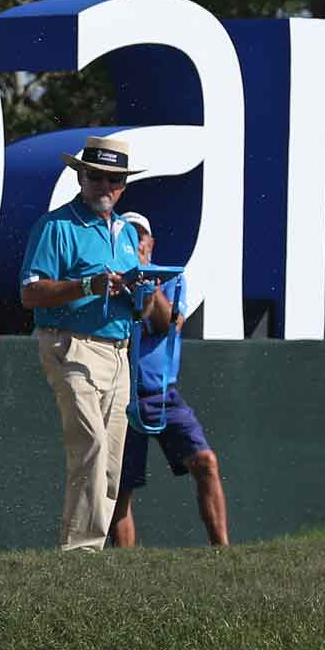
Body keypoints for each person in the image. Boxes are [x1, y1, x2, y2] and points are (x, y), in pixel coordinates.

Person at [19, 135, 143, 551]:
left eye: (114, 179)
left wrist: (144, 289)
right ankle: (79, 552)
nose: (104, 186)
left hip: (119, 351)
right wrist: (87, 285)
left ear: (124, 185)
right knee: (89, 442)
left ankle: (89, 548)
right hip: (71, 345)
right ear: (80, 176)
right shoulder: (55, 226)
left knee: (110, 461)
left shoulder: (127, 233)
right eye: (95, 176)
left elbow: (144, 304)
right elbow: (31, 293)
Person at [108, 211, 229, 547]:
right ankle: (125, 572)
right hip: (121, 395)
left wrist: (148, 285)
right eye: (128, 238)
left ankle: (223, 552)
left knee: (206, 461)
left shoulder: (171, 278)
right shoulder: (113, 280)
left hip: (162, 394)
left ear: (151, 243)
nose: (136, 244)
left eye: (140, 238)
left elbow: (168, 324)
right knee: (120, 487)